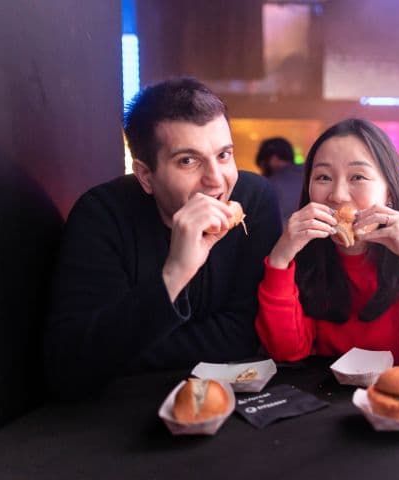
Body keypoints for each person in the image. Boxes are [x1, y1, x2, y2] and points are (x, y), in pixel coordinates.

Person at [45, 78, 282, 397]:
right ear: (145, 176)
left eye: (224, 155)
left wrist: (133, 351)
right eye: (188, 160)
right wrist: (175, 273)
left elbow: (244, 334)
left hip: (234, 398)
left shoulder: (255, 199)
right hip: (118, 409)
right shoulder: (102, 215)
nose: (216, 181)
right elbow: (72, 361)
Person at [255, 119, 399, 386]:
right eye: (323, 177)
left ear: (389, 191)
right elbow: (287, 352)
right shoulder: (305, 253)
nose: (337, 195)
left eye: (358, 177)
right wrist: (280, 261)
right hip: (326, 405)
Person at [255, 137, 304, 222]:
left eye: (262, 165)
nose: (262, 172)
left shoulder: (270, 186)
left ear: (274, 159)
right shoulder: (310, 176)